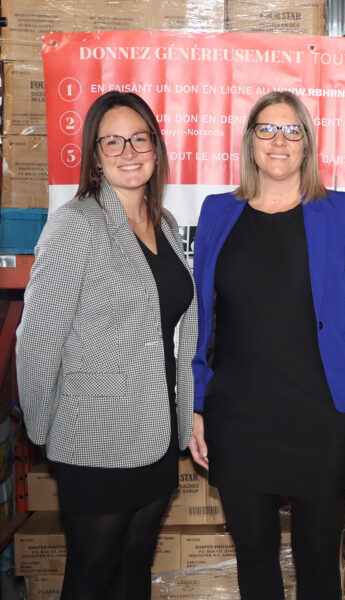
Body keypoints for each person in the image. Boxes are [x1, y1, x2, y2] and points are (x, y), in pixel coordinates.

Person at [189, 91, 345, 600]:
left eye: (292, 130)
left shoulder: (340, 212)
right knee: (255, 562)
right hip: (237, 418)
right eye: (266, 129)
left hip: (321, 417)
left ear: (307, 145)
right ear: (250, 141)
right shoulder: (216, 214)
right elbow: (203, 319)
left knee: (318, 565)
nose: (279, 140)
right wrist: (197, 405)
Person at [16, 91, 197, 599]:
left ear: (156, 148)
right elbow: (36, 336)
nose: (128, 150)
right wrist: (44, 428)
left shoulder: (164, 225)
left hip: (155, 433)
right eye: (111, 141)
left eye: (139, 138)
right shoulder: (76, 224)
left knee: (134, 571)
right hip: (94, 436)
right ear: (94, 156)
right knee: (92, 578)